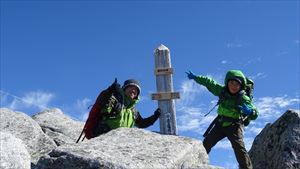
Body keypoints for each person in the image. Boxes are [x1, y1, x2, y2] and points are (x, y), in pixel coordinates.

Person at [186, 70, 258, 169]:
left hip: (234, 125)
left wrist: (250, 111)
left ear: (241, 86)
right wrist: (196, 78)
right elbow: (209, 82)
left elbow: (255, 112)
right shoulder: (221, 90)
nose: (234, 86)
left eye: (237, 84)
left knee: (239, 149)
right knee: (206, 144)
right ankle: (195, 164)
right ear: (227, 82)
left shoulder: (243, 98)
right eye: (231, 83)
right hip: (220, 123)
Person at [93, 79, 161, 136]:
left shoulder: (133, 111)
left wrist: (155, 116)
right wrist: (109, 91)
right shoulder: (114, 100)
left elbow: (142, 123)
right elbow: (103, 105)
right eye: (131, 87)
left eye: (136, 90)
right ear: (124, 89)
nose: (133, 91)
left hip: (122, 142)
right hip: (105, 138)